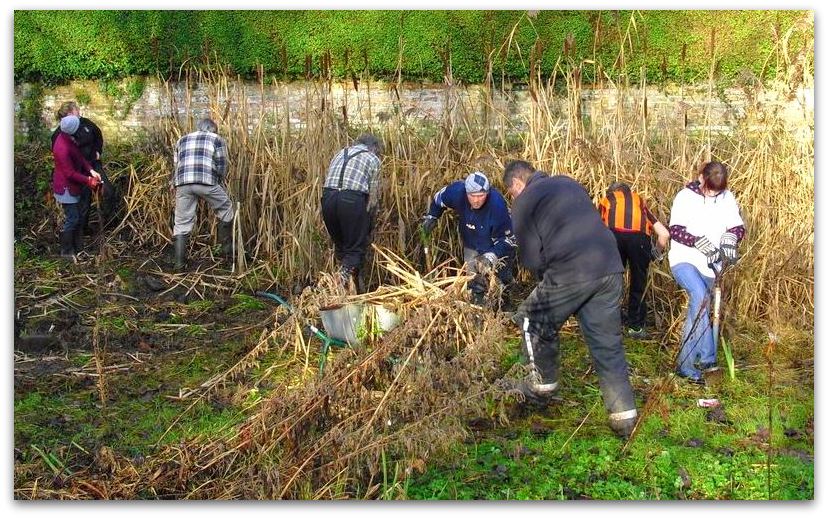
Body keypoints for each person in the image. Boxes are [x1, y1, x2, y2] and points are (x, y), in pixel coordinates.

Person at [502, 160, 638, 438]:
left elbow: (530, 259)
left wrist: (549, 282)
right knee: (606, 343)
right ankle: (624, 417)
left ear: (516, 184)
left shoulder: (524, 201)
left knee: (531, 318)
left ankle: (541, 386)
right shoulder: (567, 182)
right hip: (610, 267)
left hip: (572, 269)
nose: (513, 197)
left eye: (511, 192)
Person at [667, 161, 745, 384]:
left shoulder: (727, 197)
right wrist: (698, 242)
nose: (712, 194)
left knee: (702, 310)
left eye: (716, 191)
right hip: (685, 260)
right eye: (709, 189)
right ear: (701, 177)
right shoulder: (685, 197)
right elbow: (676, 230)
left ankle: (701, 359)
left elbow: (737, 226)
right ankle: (693, 364)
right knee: (700, 299)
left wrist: (731, 238)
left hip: (713, 265)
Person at [420, 171, 516, 305]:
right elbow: (438, 199)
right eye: (472, 195)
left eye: (481, 195)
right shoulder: (456, 192)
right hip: (470, 243)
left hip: (494, 246)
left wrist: (491, 256)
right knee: (474, 281)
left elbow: (507, 240)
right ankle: (478, 310)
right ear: (466, 192)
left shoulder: (497, 206)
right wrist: (432, 216)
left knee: (501, 281)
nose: (476, 200)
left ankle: (505, 307)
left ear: (487, 193)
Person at [598, 182, 670, 339]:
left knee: (612, 281)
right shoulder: (639, 201)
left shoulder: (607, 200)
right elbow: (664, 234)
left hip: (613, 237)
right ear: (628, 192)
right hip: (640, 240)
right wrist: (655, 254)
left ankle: (608, 326)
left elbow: (595, 228)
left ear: (613, 192)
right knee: (639, 283)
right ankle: (635, 327)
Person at [320, 134, 383, 293]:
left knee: (342, 248)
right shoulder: (372, 158)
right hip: (351, 200)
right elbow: (374, 196)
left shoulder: (340, 153)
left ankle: (349, 290)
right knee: (355, 248)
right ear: (374, 148)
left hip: (328, 199)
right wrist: (370, 220)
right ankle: (337, 286)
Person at [171, 117, 234, 272]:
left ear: (199, 127)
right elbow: (221, 164)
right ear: (213, 129)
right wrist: (219, 180)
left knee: (181, 222)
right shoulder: (216, 139)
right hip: (206, 182)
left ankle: (179, 264)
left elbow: (176, 164)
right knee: (226, 208)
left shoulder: (182, 139)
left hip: (183, 184)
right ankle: (226, 250)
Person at [51, 101, 120, 237]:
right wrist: (86, 178)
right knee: (84, 199)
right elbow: (66, 162)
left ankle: (108, 223)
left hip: (93, 165)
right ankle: (81, 232)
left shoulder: (86, 123)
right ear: (70, 113)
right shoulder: (61, 135)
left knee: (108, 192)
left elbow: (98, 135)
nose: (79, 111)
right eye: (77, 109)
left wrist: (97, 151)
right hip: (77, 171)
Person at [51, 115, 101, 258]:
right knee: (73, 218)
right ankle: (66, 251)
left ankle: (79, 247)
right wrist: (88, 180)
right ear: (73, 130)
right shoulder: (62, 148)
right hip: (66, 188)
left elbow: (79, 156)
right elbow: (69, 173)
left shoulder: (67, 138)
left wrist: (91, 170)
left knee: (77, 216)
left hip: (73, 185)